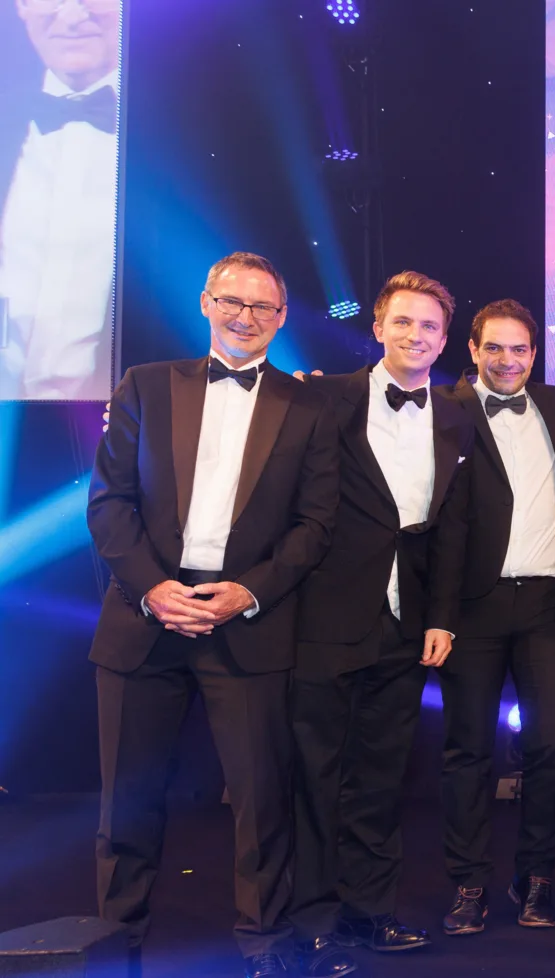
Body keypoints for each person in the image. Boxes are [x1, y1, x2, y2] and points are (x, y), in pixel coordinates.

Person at [86, 252, 339, 978]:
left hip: (249, 623)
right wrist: (151, 589)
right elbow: (109, 504)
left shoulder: (308, 406)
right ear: (205, 302)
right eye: (233, 302)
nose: (245, 317)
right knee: (126, 805)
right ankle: (115, 947)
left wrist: (248, 591)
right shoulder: (144, 387)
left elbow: (314, 526)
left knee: (261, 805)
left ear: (282, 318)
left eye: (262, 308)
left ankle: (264, 949)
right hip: (145, 619)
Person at [287, 271, 474, 976]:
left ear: (443, 338)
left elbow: (454, 528)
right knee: (315, 775)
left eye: (428, 327)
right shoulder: (321, 396)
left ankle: (370, 913)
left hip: (406, 624)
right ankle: (311, 923)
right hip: (325, 616)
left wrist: (443, 618)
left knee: (380, 778)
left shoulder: (458, 416)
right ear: (377, 327)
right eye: (403, 323)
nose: (415, 336)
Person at [433, 298, 555, 933]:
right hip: (474, 605)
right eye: (495, 347)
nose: (508, 360)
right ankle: (468, 884)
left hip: (548, 602)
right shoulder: (446, 410)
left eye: (520, 349)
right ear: (473, 350)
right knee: (468, 750)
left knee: (550, 747)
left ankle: (536, 879)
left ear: (534, 355)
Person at [0, 0, 121, 400]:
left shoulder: (177, 135)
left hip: (115, 427)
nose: (71, 15)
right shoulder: (8, 119)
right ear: (20, 6)